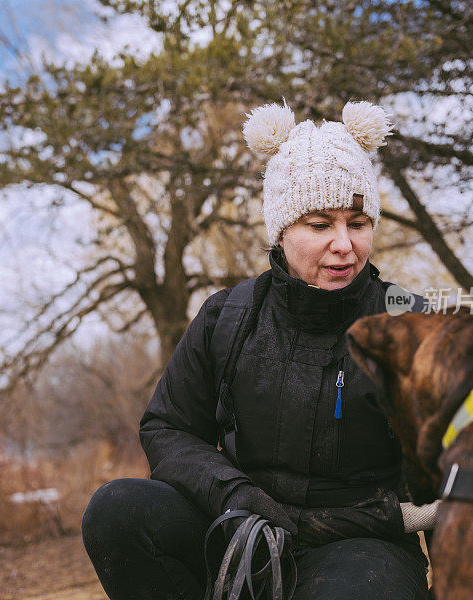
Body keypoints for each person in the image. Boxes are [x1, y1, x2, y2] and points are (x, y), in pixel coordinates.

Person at [82, 100, 431, 599]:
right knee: (118, 509)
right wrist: (235, 494)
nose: (344, 244)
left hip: (362, 547)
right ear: (282, 229)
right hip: (240, 526)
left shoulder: (410, 325)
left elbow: (450, 466)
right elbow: (168, 427)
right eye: (319, 225)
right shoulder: (227, 316)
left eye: (357, 223)